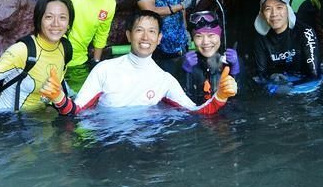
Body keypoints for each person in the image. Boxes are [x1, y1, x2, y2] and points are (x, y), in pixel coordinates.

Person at [40, 10, 238, 116]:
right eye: (139, 30)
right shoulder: (104, 69)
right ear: (128, 35)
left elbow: (197, 112)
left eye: (152, 31)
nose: (145, 37)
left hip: (146, 146)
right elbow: (75, 110)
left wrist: (221, 95)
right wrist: (58, 97)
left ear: (159, 39)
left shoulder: (164, 80)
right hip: (106, 143)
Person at [0, 0, 75, 113]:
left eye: (62, 17)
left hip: (38, 115)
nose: (56, 23)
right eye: (49, 17)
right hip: (5, 117)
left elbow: (60, 81)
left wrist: (75, 99)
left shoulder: (65, 48)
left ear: (68, 24)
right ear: (39, 20)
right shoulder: (22, 51)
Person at [253, 0, 321, 92]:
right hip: (277, 84)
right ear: (262, 14)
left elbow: (315, 74)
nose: (274, 14)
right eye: (268, 9)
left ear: (288, 10)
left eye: (279, 7)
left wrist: (290, 86)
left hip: (305, 84)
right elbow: (261, 74)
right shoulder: (260, 38)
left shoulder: (305, 32)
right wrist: (272, 80)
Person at [181, 11, 240, 104]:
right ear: (192, 39)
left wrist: (235, 70)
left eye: (211, 35)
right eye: (198, 36)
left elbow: (242, 98)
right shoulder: (187, 63)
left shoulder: (233, 61)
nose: (205, 42)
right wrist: (185, 73)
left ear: (220, 36)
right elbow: (182, 102)